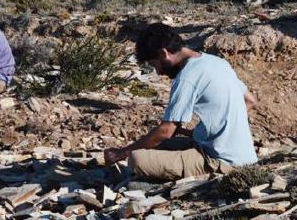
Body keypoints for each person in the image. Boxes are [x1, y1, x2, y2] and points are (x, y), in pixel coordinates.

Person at [104, 23, 258, 181]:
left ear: (164, 53)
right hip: (243, 155)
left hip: (223, 162)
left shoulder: (187, 77)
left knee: (136, 159)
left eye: (154, 64)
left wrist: (121, 153)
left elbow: (166, 131)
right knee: (157, 146)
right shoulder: (217, 62)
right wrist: (210, 131)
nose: (158, 72)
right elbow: (250, 100)